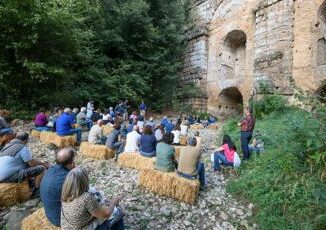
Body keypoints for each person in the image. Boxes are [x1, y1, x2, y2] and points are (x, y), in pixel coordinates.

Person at [40, 148, 76, 227]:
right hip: (62, 220)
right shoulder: (69, 177)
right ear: (72, 161)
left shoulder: (49, 170)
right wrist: (73, 171)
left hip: (50, 215)